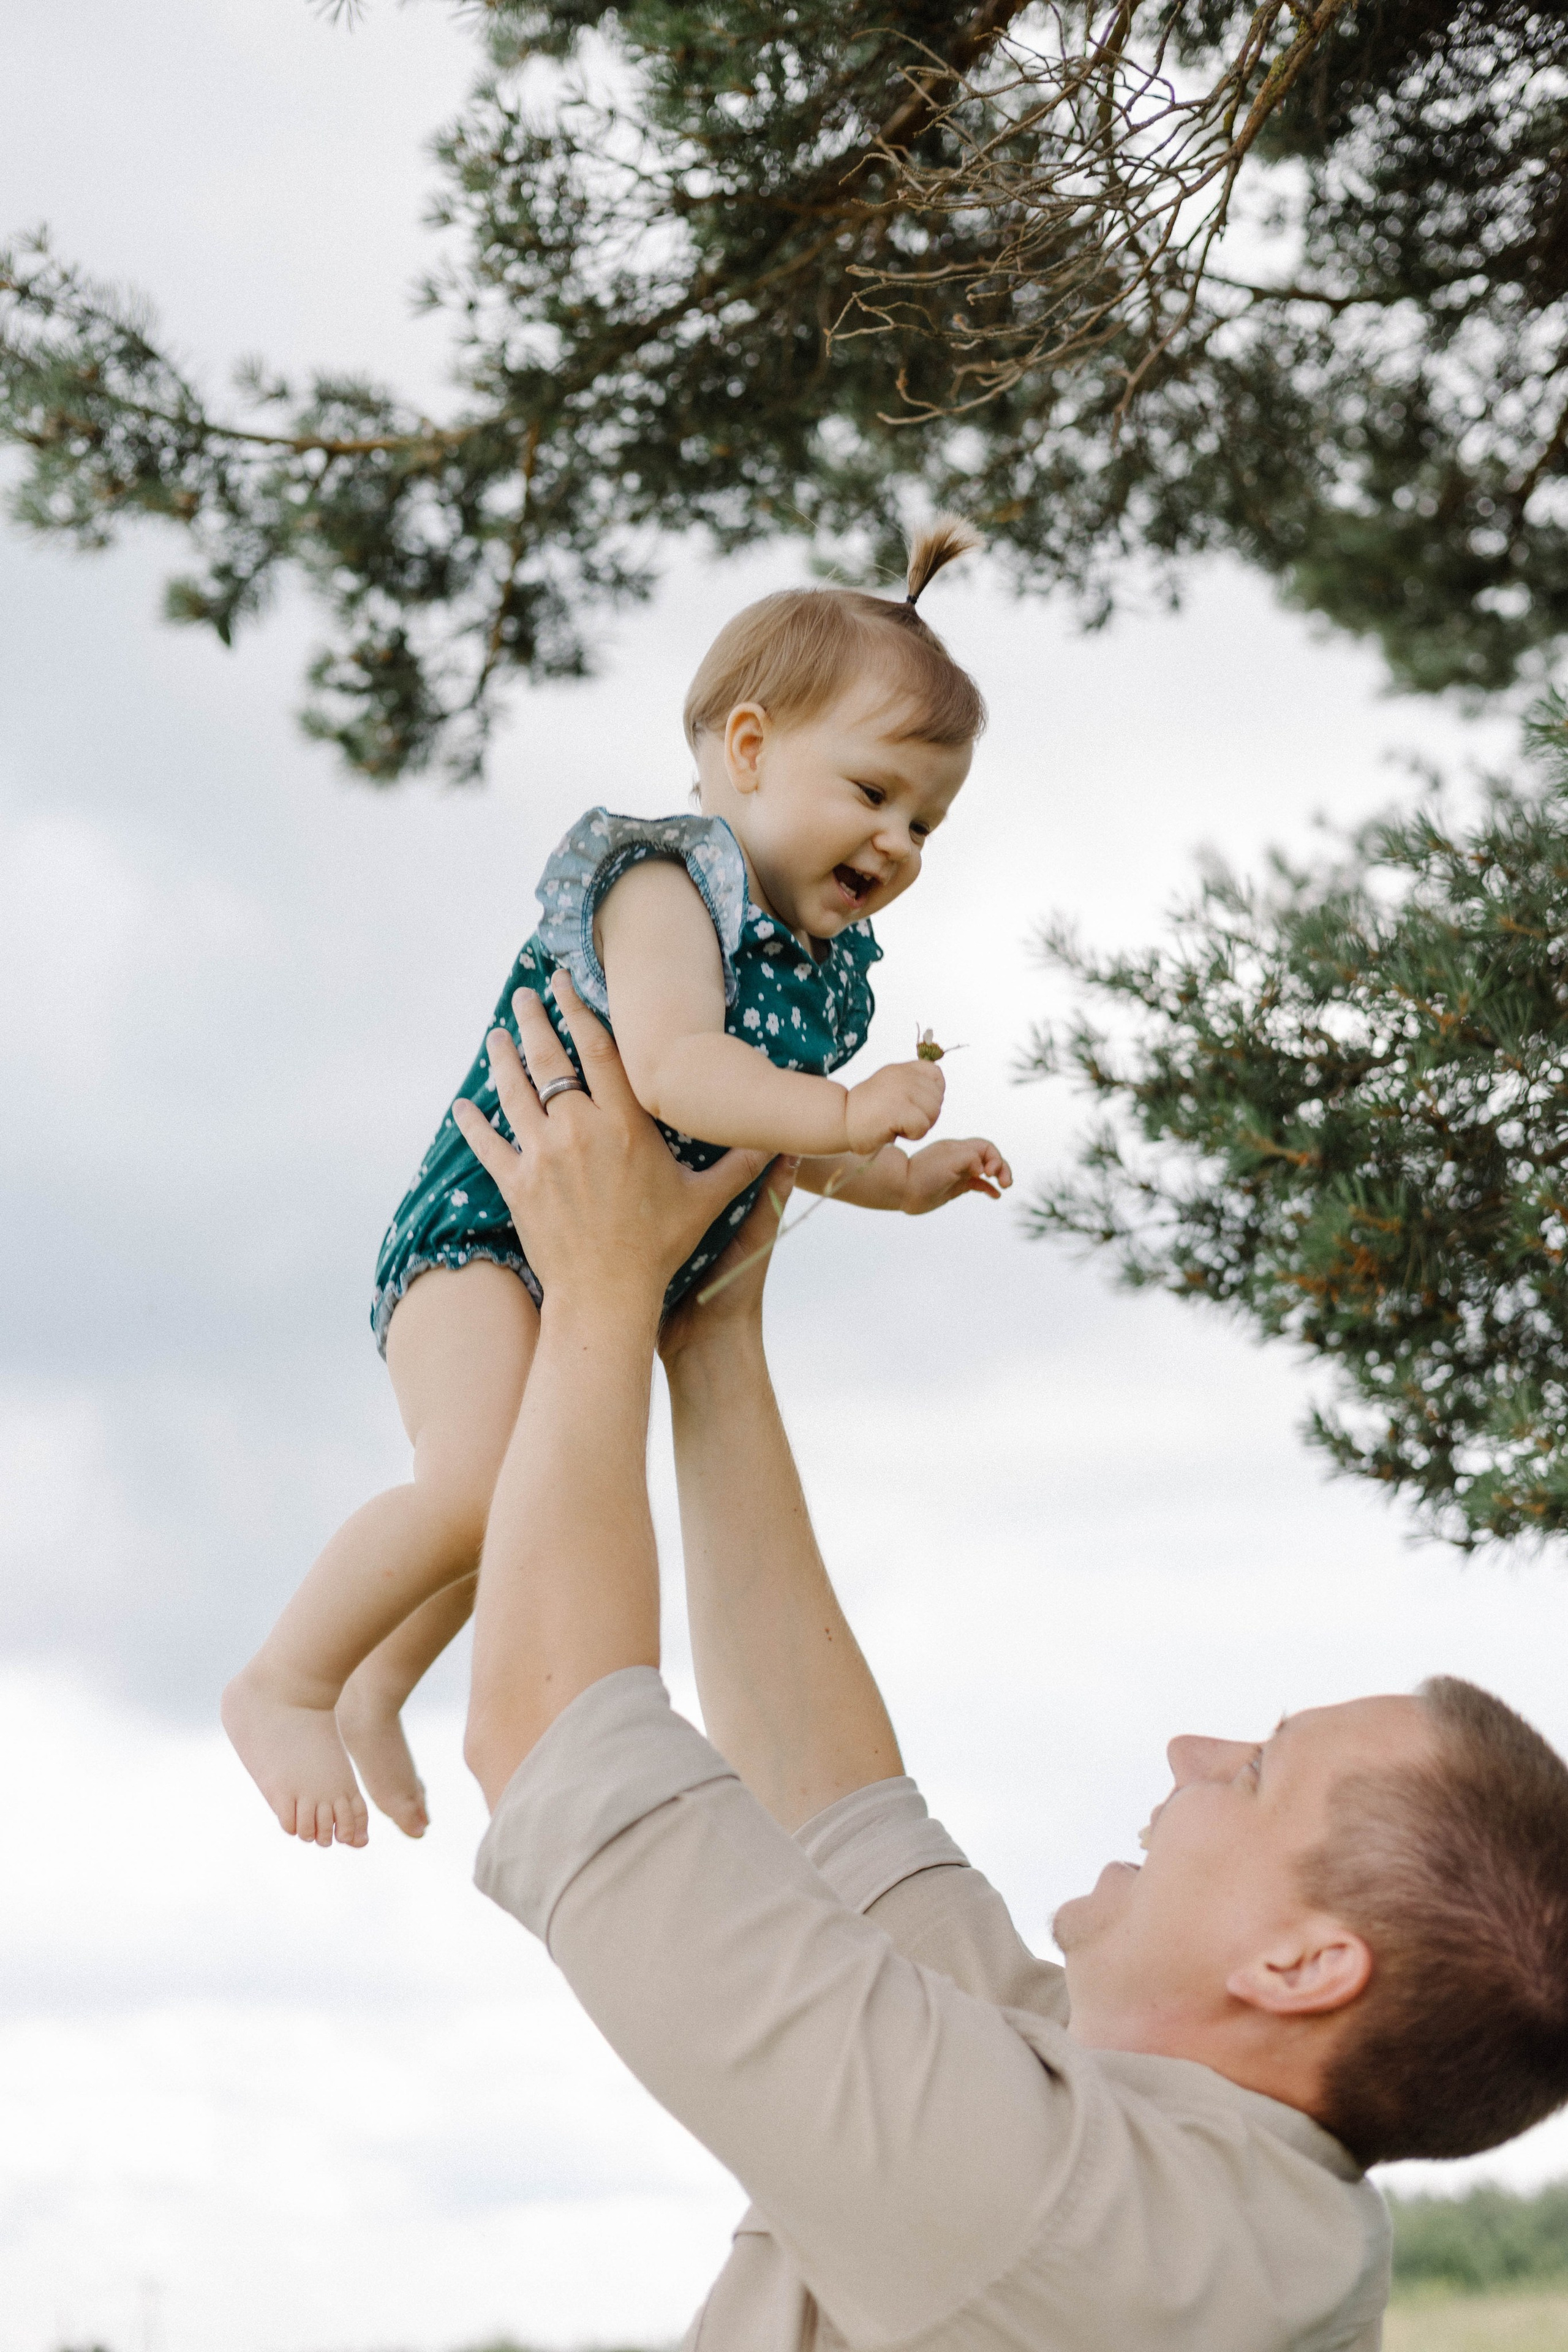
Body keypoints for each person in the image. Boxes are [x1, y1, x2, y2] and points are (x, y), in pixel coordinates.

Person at [459, 979, 1568, 2352]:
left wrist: (598, 1288)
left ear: (1299, 1964)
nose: (1189, 1753)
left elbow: (551, 1737)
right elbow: (836, 1825)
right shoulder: (1188, 2174)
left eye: (1257, 1771)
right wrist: (711, 1325)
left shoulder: (1080, 2226)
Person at [222, 520, 1011, 1849]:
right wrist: (843, 1101)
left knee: (503, 1514)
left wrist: (894, 1174)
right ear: (747, 750)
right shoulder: (662, 884)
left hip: (591, 1269)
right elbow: (677, 1071)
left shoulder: (815, 971)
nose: (900, 840)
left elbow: (772, 1146)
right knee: (474, 1488)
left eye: (925, 820)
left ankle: (378, 1682)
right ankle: (283, 1682)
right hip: (481, 1242)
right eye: (874, 793)